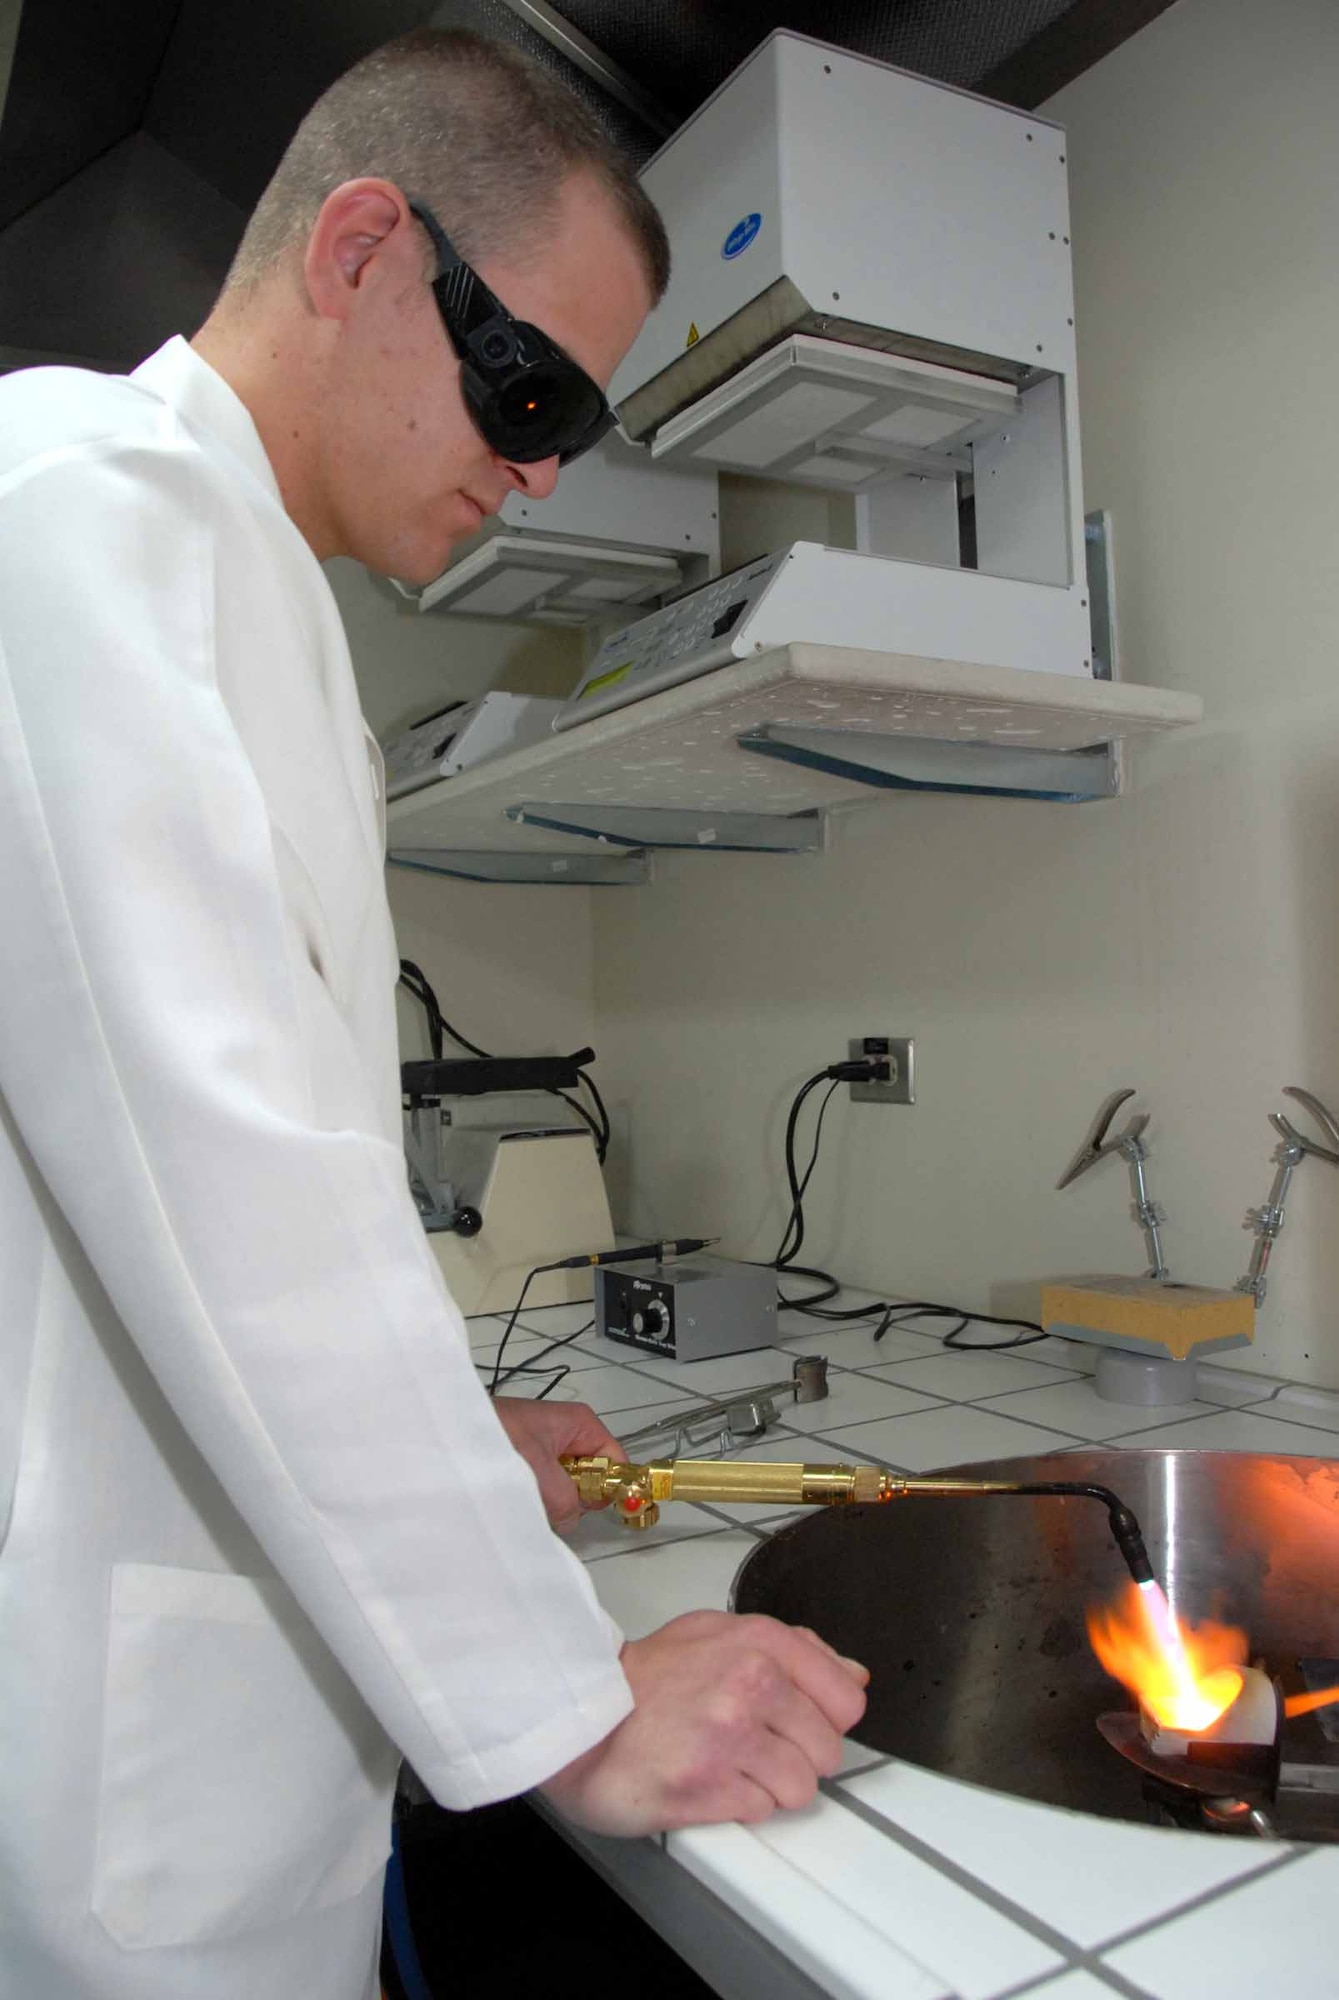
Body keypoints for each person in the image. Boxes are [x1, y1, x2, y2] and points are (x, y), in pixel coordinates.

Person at [0, 30, 867, 2000]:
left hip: (231, 1732)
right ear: (362, 249)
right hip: (100, 1795)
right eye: (527, 382)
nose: (545, 461)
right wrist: (567, 1701)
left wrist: (462, 1451)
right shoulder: (68, 501)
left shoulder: (258, 597)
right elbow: (224, 1166)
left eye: (580, 420)